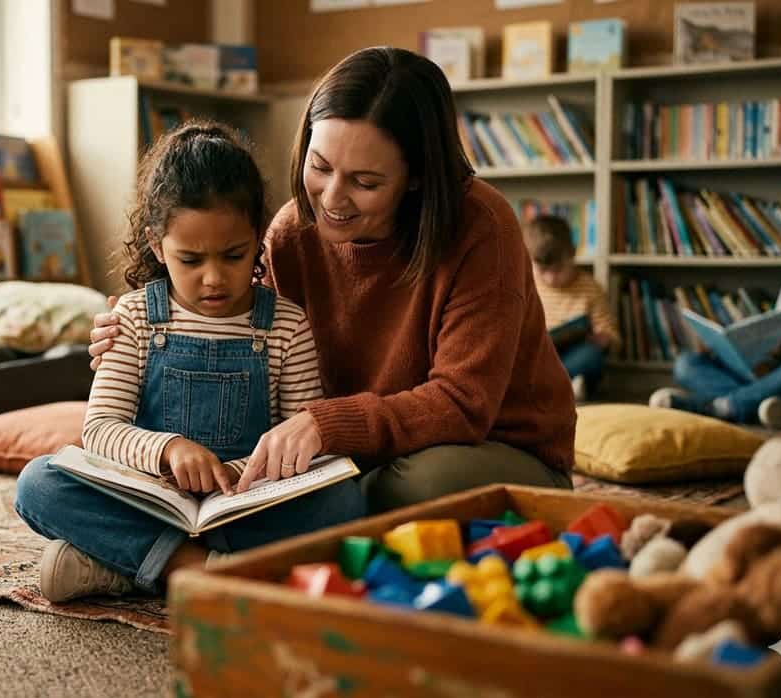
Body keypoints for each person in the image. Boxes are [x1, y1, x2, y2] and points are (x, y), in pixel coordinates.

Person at [89, 46, 577, 515]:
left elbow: (463, 404)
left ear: (417, 177)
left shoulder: (482, 226)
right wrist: (144, 331)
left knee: (410, 486)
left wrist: (326, 427)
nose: (332, 199)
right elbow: (255, 343)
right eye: (319, 167)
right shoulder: (289, 233)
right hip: (354, 451)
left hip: (487, 449)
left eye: (365, 183)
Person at [13, 122, 366, 603]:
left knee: (343, 499)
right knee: (38, 483)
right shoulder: (135, 316)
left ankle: (125, 565)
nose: (214, 278)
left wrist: (236, 475)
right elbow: (99, 429)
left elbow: (301, 442)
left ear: (258, 241)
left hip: (242, 505)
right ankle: (197, 568)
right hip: (149, 499)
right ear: (157, 246)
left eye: (234, 255)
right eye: (191, 259)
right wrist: (169, 451)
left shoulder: (286, 324)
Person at [651, 195, 781, 429]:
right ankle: (775, 409)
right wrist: (724, 353)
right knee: (687, 364)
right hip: (777, 381)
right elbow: (776, 340)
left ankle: (719, 407)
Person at [522, 214, 621, 402]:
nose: (551, 278)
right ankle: (561, 385)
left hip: (569, 357)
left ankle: (547, 386)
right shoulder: (527, 284)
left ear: (573, 254)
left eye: (559, 269)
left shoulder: (590, 287)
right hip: (536, 358)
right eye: (543, 271)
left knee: (591, 356)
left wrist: (604, 338)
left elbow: (609, 330)